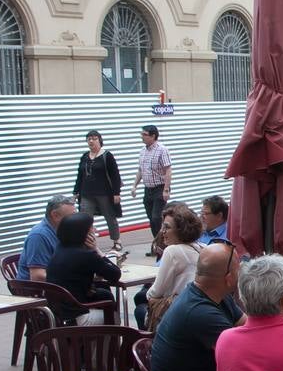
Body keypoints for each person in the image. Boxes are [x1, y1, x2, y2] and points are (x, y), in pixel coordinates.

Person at [149, 243, 243, 371]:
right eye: (238, 267)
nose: (242, 271)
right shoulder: (200, 312)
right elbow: (244, 356)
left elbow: (247, 324)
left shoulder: (214, 294)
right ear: (228, 278)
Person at [45, 213, 123, 324]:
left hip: (60, 314)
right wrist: (96, 249)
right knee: (115, 317)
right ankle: (106, 335)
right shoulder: (87, 255)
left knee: (104, 294)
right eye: (91, 228)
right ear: (83, 233)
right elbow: (115, 274)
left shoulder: (60, 248)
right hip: (77, 317)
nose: (95, 230)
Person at [141, 204, 204, 330]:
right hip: (198, 310)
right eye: (163, 227)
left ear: (181, 230)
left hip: (178, 316)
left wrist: (149, 296)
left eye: (167, 227)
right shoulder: (202, 247)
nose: (162, 231)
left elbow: (156, 292)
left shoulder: (172, 251)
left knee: (140, 309)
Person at [72, 130, 124, 252]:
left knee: (110, 217)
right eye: (89, 139)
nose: (91, 141)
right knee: (85, 219)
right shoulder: (85, 156)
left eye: (94, 139)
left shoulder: (107, 156)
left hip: (104, 193)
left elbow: (115, 175)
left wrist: (116, 193)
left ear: (100, 140)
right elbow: (80, 175)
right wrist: (76, 191)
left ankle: (116, 241)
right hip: (86, 193)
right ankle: (88, 243)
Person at [130, 124, 172, 252]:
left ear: (153, 136)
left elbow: (168, 170)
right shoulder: (143, 151)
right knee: (151, 220)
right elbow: (140, 170)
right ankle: (158, 244)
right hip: (148, 190)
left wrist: (166, 189)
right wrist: (134, 185)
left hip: (159, 188)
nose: (142, 137)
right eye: (141, 134)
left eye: (145, 135)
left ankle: (164, 245)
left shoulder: (162, 150)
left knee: (156, 218)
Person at [17, 195, 78, 281]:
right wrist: (73, 279)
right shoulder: (39, 236)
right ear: (55, 215)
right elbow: (38, 276)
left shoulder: (64, 230)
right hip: (38, 287)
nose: (76, 219)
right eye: (72, 216)